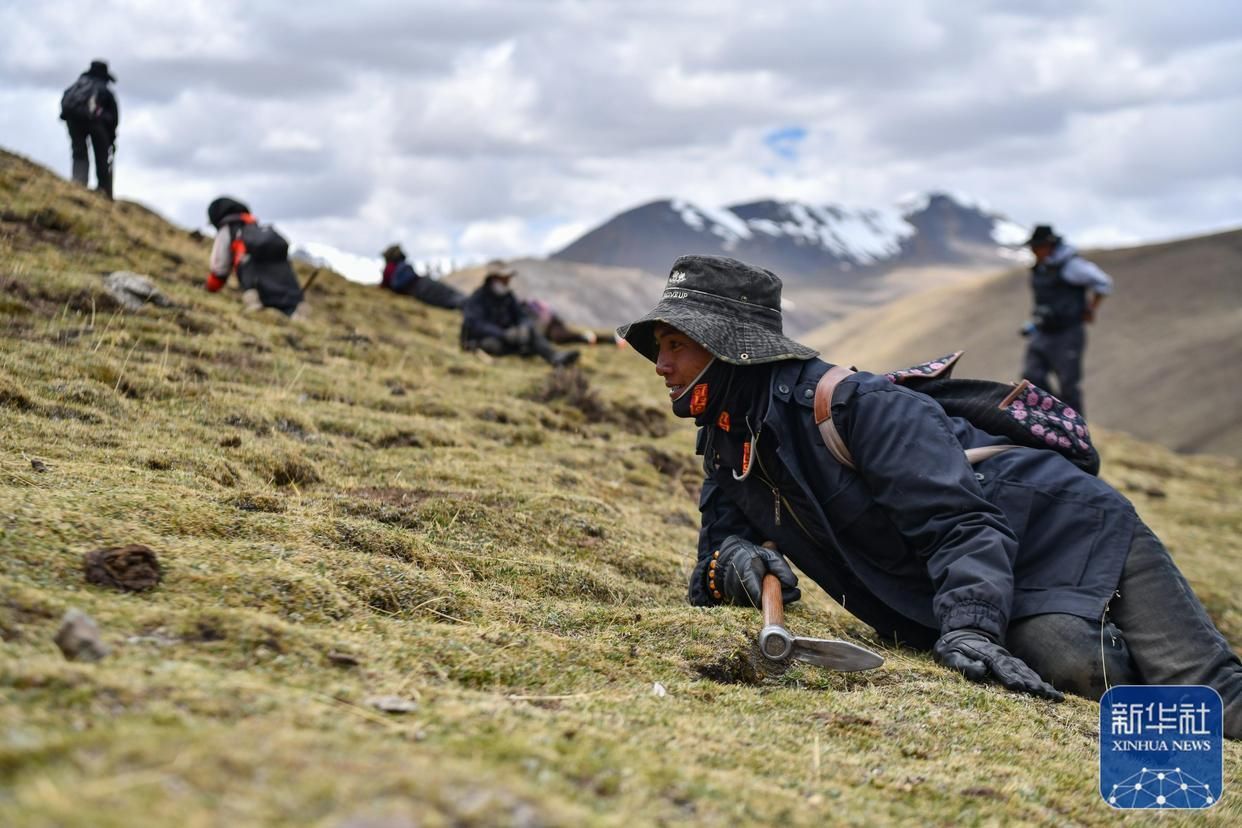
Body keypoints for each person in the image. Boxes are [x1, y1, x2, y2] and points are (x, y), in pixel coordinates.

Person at [618, 255, 1241, 737]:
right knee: (1076, 667)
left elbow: (963, 526)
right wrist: (736, 565)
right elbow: (712, 565)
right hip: (989, 578)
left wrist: (969, 631)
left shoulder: (859, 408)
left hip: (1071, 530)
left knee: (1213, 694)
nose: (660, 365)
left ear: (730, 347)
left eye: (677, 345)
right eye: (661, 347)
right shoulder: (729, 441)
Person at [1020, 225, 1112, 414]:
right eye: (1032, 248)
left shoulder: (1071, 265)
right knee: (1031, 375)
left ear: (1049, 246)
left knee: (1068, 385)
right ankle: (1053, 415)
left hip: (1067, 333)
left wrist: (1091, 308)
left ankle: (1075, 427)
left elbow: (1103, 283)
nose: (1034, 252)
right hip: (1042, 331)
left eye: (1037, 247)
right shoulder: (1040, 267)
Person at [205, 196, 308, 320]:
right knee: (290, 317)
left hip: (256, 292)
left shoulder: (228, 229)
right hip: (289, 294)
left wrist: (209, 288)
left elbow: (220, 266)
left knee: (261, 318)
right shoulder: (255, 228)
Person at [461, 261, 580, 367]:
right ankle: (525, 350)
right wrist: (503, 334)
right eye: (504, 278)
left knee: (530, 333)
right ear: (494, 278)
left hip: (509, 335)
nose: (507, 281)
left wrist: (523, 327)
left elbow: (522, 315)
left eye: (508, 278)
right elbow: (476, 324)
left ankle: (554, 356)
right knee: (494, 345)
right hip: (486, 339)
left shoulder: (508, 297)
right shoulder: (478, 298)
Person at [60, 59, 119, 199]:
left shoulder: (77, 86)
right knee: (102, 158)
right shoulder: (104, 90)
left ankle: (79, 184)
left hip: (73, 120)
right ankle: (104, 192)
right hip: (97, 124)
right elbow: (113, 118)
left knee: (79, 153)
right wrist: (111, 139)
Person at [380, 245, 465, 309]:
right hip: (423, 282)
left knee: (447, 299)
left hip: (418, 289)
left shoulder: (390, 268)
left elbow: (386, 285)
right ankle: (467, 303)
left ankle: (467, 304)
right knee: (450, 295)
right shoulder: (399, 265)